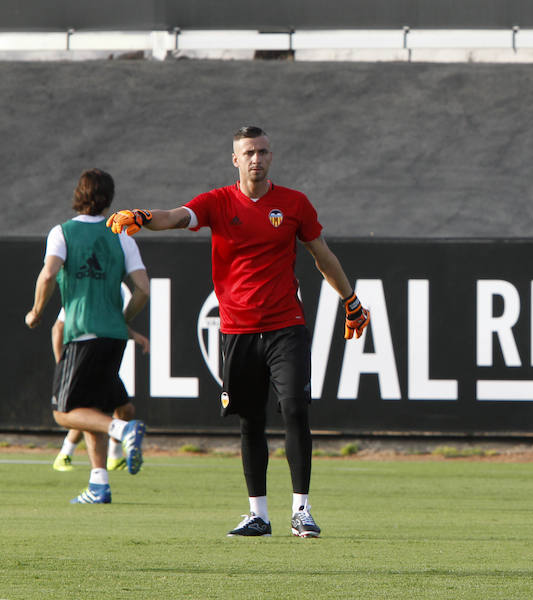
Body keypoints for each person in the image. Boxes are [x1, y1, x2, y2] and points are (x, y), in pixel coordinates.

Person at [106, 125, 370, 538]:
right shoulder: (217, 202)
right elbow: (176, 216)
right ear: (235, 159)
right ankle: (258, 515)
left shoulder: (294, 204)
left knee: (296, 409)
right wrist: (142, 217)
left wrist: (350, 300)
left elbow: (322, 255)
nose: (256, 159)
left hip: (287, 327)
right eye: (248, 152)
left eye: (263, 151)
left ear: (271, 156)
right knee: (250, 421)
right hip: (238, 331)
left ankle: (302, 509)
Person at [25, 168, 150, 504]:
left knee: (64, 412)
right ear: (109, 199)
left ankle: (123, 430)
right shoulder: (123, 237)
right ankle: (98, 484)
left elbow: (49, 274)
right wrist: (123, 320)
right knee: (94, 406)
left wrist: (36, 311)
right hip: (113, 336)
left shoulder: (61, 233)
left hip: (81, 333)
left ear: (78, 195)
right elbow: (143, 290)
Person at [51, 310, 150, 472]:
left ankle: (114, 456)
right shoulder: (84, 289)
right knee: (81, 412)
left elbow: (116, 320)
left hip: (104, 356)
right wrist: (60, 364)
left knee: (123, 410)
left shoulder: (114, 290)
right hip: (85, 355)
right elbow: (58, 327)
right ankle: (66, 454)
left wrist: (133, 334)